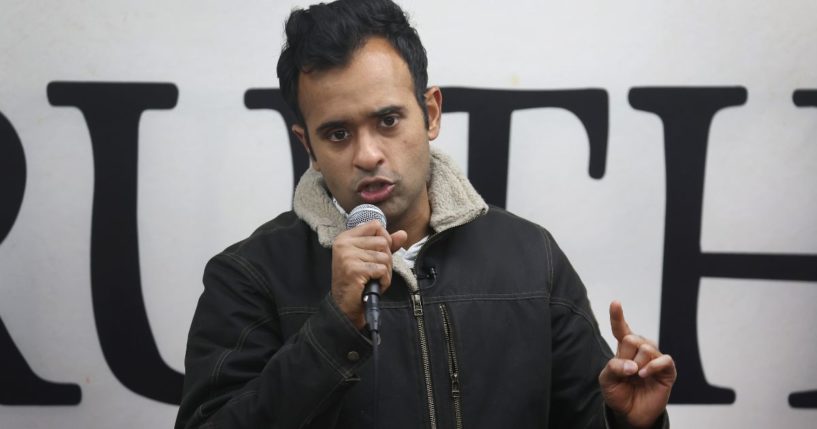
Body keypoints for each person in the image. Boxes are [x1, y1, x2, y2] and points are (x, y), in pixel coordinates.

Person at [175, 0, 677, 427]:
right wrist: (334, 326)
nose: (368, 154)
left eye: (388, 120)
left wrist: (630, 422)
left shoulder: (530, 257)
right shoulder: (249, 275)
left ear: (431, 113)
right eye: (337, 133)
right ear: (308, 144)